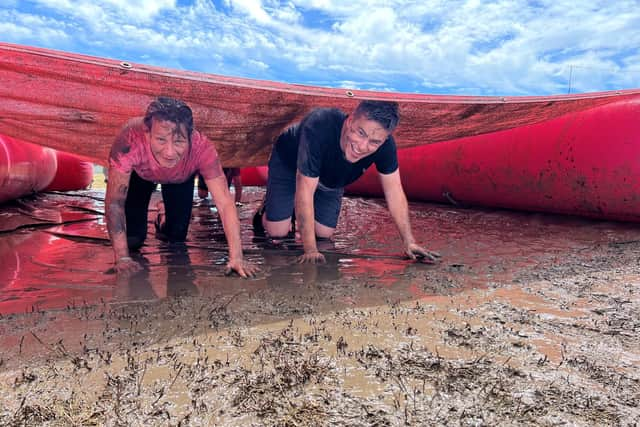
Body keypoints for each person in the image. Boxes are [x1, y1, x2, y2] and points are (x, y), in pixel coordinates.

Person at [255, 100, 441, 264]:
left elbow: (394, 192)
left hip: (331, 177)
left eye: (374, 142)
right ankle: (267, 208)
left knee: (324, 234)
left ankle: (295, 211)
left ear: (384, 140)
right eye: (360, 133)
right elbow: (305, 190)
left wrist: (409, 241)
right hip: (290, 163)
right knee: (277, 232)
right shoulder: (319, 125)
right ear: (350, 120)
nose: (362, 146)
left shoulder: (386, 146)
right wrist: (310, 250)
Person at [105, 96, 258, 277]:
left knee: (176, 238)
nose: (169, 152)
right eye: (161, 140)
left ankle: (162, 217)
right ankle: (157, 216)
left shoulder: (202, 147)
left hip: (180, 178)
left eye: (179, 142)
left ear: (191, 137)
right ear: (147, 133)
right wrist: (122, 257)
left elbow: (225, 203)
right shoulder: (130, 139)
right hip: (141, 177)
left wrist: (237, 257)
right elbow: (115, 202)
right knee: (133, 240)